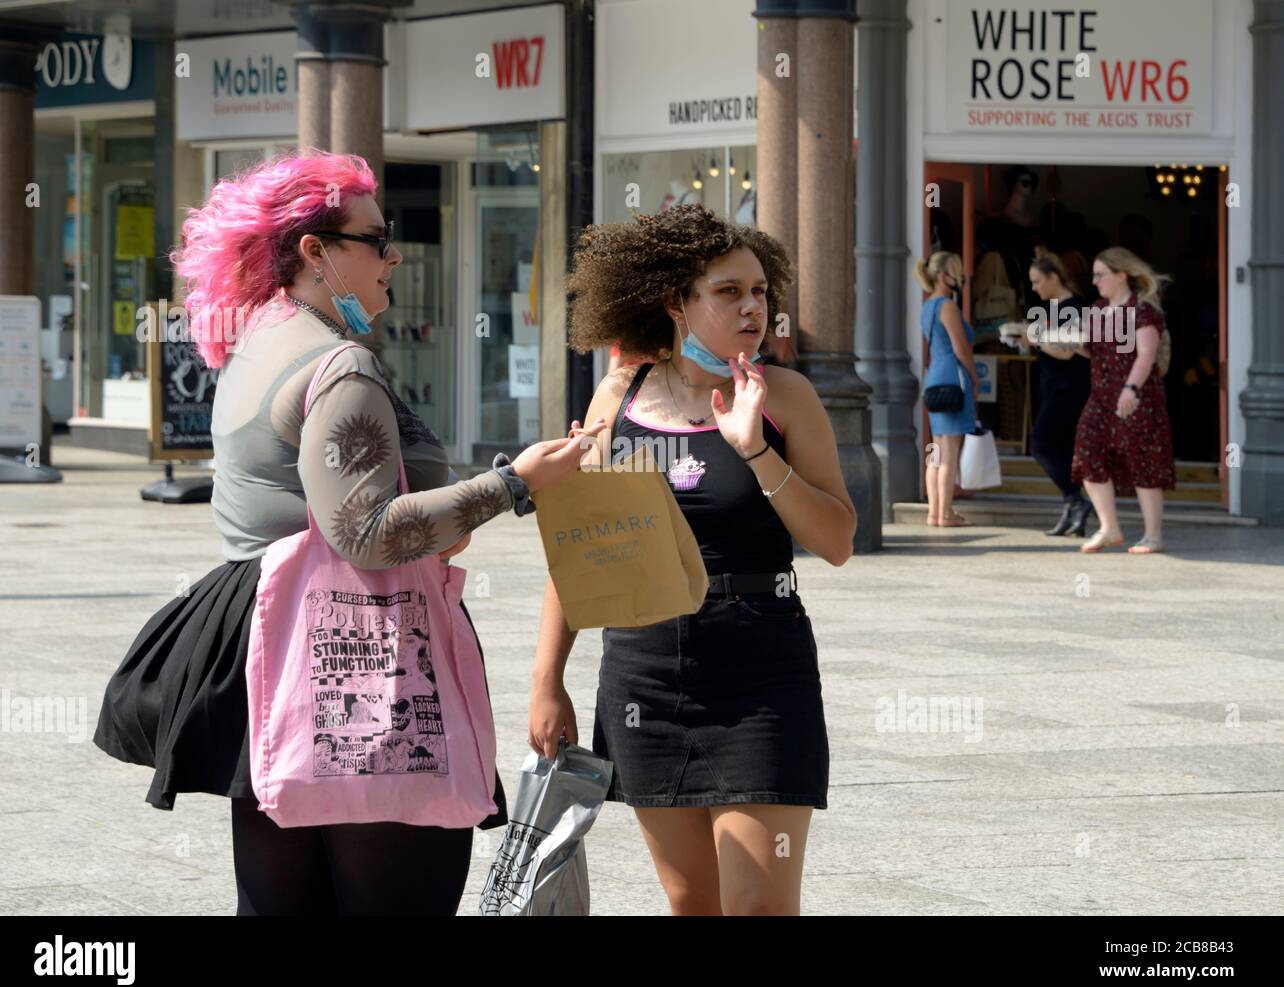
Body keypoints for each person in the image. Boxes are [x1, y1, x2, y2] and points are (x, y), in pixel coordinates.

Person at [92, 150, 595, 916]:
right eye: (376, 236)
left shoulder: (255, 340)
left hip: (262, 652)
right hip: (356, 659)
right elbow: (366, 532)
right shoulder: (340, 363)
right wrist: (515, 483)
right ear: (316, 251)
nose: (394, 254)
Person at [529, 204, 856, 915]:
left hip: (762, 668)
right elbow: (581, 545)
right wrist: (546, 679)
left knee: (760, 905)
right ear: (676, 302)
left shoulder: (787, 398)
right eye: (729, 291)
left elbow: (836, 540)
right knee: (690, 900)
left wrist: (756, 452)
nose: (753, 307)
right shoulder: (622, 393)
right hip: (645, 671)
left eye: (762, 291)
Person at [1068, 247, 1176, 553]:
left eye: (1101, 275)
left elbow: (1145, 355)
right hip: (1101, 397)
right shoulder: (1099, 309)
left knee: (1144, 462)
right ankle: (1109, 528)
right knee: (1088, 452)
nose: (1095, 281)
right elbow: (1090, 349)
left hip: (1138, 397)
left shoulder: (1143, 311)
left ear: (1121, 275)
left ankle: (1153, 535)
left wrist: (1131, 389)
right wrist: (1047, 338)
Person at [1023, 253, 1094, 536]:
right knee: (1062, 448)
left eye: (1038, 281)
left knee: (1041, 443)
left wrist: (1035, 339)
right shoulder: (1057, 308)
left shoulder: (1071, 308)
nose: (1034, 288)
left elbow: (1067, 351)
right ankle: (1072, 504)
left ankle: (1075, 500)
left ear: (1054, 278)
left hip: (1069, 388)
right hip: (1057, 386)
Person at [916, 251, 979, 527]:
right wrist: (975, 378)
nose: (961, 277)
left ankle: (934, 512)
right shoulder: (948, 306)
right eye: (957, 271)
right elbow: (960, 347)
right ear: (944, 276)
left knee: (938, 449)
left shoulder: (927, 306)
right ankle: (946, 513)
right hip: (954, 378)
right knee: (950, 450)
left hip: (934, 378)